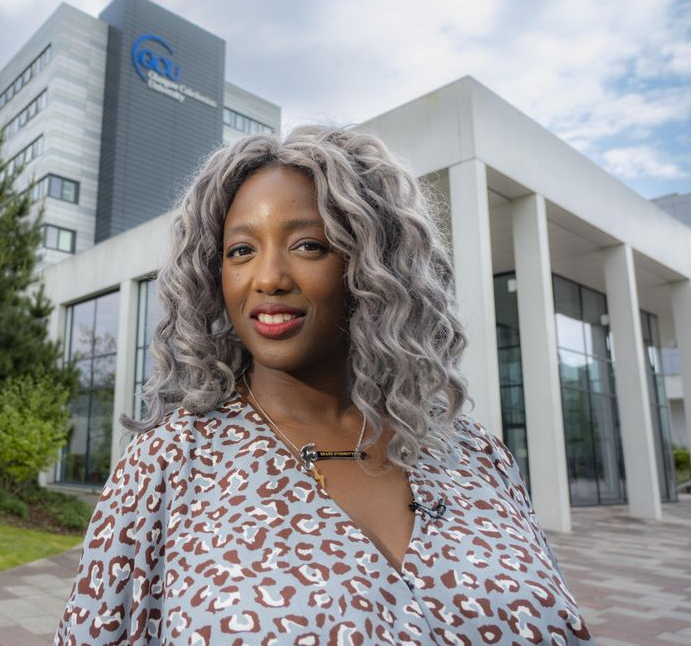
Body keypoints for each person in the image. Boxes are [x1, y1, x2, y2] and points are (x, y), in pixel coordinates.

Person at [54, 126, 593, 645]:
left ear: (373, 264)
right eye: (240, 251)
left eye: (308, 245)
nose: (268, 278)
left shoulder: (477, 457)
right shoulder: (166, 467)